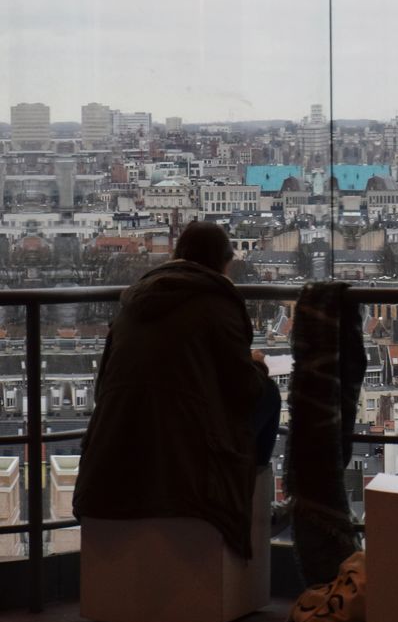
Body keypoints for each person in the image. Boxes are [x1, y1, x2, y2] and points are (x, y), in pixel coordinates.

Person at [73, 221, 281, 559]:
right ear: (222, 264)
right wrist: (256, 363)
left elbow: (104, 386)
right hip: (186, 446)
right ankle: (253, 496)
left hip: (116, 440)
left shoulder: (133, 302)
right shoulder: (217, 303)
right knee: (269, 395)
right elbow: (244, 390)